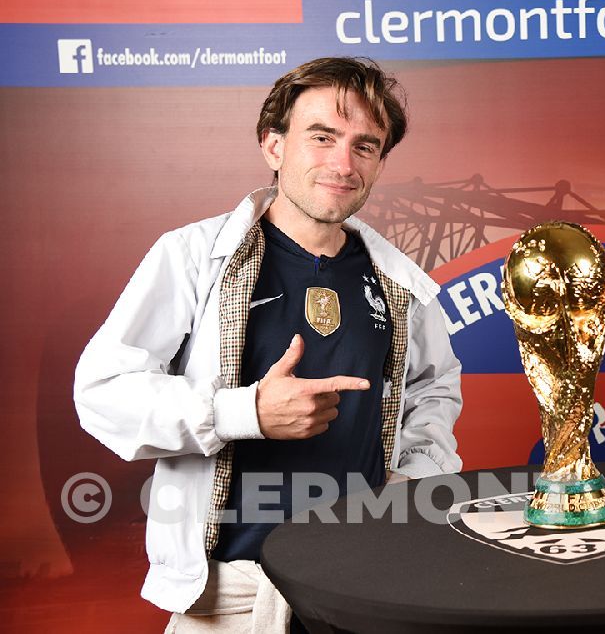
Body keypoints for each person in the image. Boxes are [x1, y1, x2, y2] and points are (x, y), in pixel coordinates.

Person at [74, 57, 462, 631]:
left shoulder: (399, 281)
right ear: (273, 145)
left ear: (380, 163)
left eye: (364, 146)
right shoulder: (191, 256)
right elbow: (103, 392)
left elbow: (434, 387)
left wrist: (413, 479)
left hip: (366, 588)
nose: (343, 164)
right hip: (231, 598)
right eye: (322, 137)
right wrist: (245, 412)